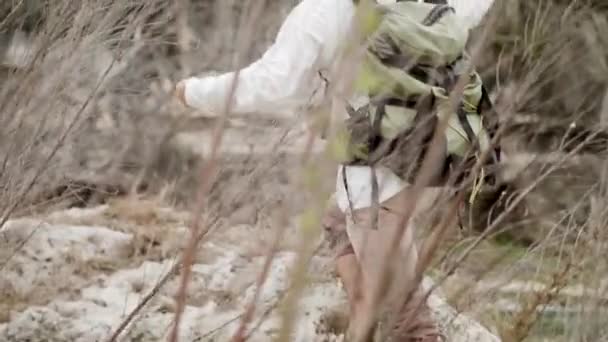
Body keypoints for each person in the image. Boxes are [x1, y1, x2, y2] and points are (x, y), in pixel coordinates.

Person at [174, 0, 496, 340]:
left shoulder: (325, 9)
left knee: (409, 324)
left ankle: (375, 313)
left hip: (374, 179)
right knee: (337, 223)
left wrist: (193, 92)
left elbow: (273, 83)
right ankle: (363, 317)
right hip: (435, 160)